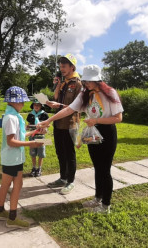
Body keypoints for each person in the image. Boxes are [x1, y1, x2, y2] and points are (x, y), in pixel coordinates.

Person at [38, 64, 123, 213]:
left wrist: (96, 121)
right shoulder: (85, 92)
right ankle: (97, 198)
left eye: (89, 80)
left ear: (98, 80)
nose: (86, 83)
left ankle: (105, 206)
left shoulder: (110, 93)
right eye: (85, 80)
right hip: (92, 132)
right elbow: (70, 109)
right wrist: (49, 120)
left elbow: (118, 118)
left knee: (105, 169)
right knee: (97, 167)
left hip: (107, 133)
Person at [0, 86, 44, 228]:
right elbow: (11, 141)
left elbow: (19, 136)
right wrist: (31, 144)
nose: (23, 104)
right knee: (17, 185)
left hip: (10, 158)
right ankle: (12, 218)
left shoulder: (13, 115)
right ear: (13, 102)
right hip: (13, 158)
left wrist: (34, 131)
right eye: (21, 102)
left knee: (5, 184)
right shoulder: (11, 118)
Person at [45, 53, 82, 195]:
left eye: (64, 66)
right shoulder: (64, 82)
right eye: (60, 66)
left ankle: (70, 181)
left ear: (72, 67)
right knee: (60, 152)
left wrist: (58, 104)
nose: (61, 69)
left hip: (70, 124)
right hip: (58, 122)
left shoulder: (77, 83)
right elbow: (56, 97)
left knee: (69, 154)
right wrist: (58, 86)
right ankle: (63, 178)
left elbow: (77, 106)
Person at [26, 99, 49, 177]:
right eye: (35, 105)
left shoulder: (44, 115)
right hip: (32, 136)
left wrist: (44, 127)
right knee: (33, 153)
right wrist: (27, 127)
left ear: (41, 106)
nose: (36, 106)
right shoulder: (30, 115)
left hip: (41, 137)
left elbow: (47, 125)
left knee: (41, 153)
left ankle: (39, 168)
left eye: (38, 105)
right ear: (32, 106)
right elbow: (29, 125)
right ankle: (33, 168)